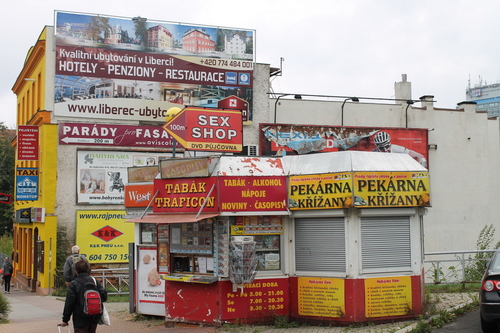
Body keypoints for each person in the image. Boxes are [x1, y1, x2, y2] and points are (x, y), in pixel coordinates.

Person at [61, 260, 107, 332]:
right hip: (94, 315)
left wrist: (65, 319)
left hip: (80, 318)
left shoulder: (74, 284)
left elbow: (69, 303)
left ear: (76, 271)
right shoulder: (94, 281)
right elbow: (104, 296)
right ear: (88, 270)